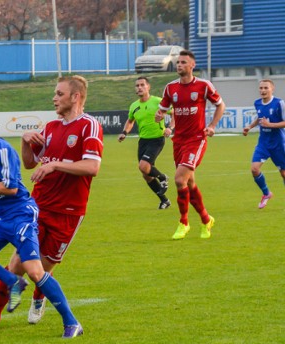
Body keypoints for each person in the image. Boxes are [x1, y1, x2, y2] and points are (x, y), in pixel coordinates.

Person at [0, 75, 103, 331]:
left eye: (59, 93)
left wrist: (56, 164)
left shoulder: (89, 126)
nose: (54, 98)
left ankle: (39, 296)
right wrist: (25, 142)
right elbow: (30, 163)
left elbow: (92, 167)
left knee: (42, 269)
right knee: (17, 265)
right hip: (36, 206)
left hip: (68, 211)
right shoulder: (51, 128)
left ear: (75, 97)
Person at [0, 107, 85, 339]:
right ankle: (12, 282)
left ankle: (71, 322)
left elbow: (11, 187)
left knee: (35, 272)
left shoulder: (3, 150)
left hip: (21, 215)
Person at [155, 49, 225, 240]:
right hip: (179, 141)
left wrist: (211, 126)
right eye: (178, 62)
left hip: (197, 139)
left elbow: (221, 105)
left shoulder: (203, 85)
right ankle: (205, 219)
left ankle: (184, 222)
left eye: (184, 62)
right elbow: (162, 109)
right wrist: (159, 116)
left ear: (192, 65)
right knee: (189, 182)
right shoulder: (170, 88)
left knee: (179, 180)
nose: (180, 65)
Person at [118, 76, 172, 209]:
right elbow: (130, 121)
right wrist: (125, 133)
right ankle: (164, 201)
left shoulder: (158, 102)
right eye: (137, 85)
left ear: (148, 87)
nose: (139, 87)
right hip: (143, 141)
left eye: (142, 85)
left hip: (157, 139)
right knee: (146, 175)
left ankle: (163, 177)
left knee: (143, 166)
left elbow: (174, 112)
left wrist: (170, 128)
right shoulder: (134, 106)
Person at [242, 79, 285, 209]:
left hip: (278, 143)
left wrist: (270, 125)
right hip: (263, 143)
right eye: (261, 88)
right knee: (254, 169)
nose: (263, 90)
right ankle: (266, 193)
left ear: (272, 89)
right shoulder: (257, 103)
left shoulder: (279, 103)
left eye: (266, 88)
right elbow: (259, 118)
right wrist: (249, 126)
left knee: (283, 173)